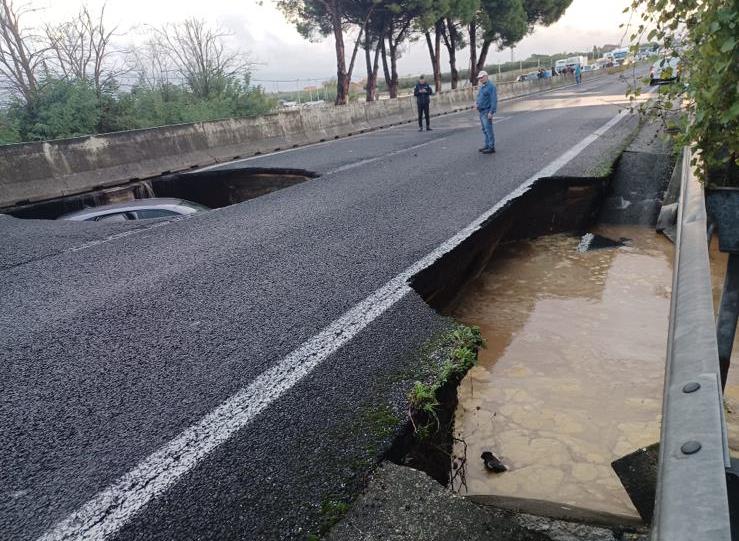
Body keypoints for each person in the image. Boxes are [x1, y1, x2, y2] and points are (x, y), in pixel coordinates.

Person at [475, 70, 497, 154]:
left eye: (482, 77)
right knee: (484, 129)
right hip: (481, 111)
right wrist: (477, 103)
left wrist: (491, 112)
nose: (480, 79)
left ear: (486, 76)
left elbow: (493, 100)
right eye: (479, 78)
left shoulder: (491, 86)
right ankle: (487, 145)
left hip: (487, 111)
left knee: (488, 129)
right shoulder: (482, 86)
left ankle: (491, 147)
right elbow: (480, 97)